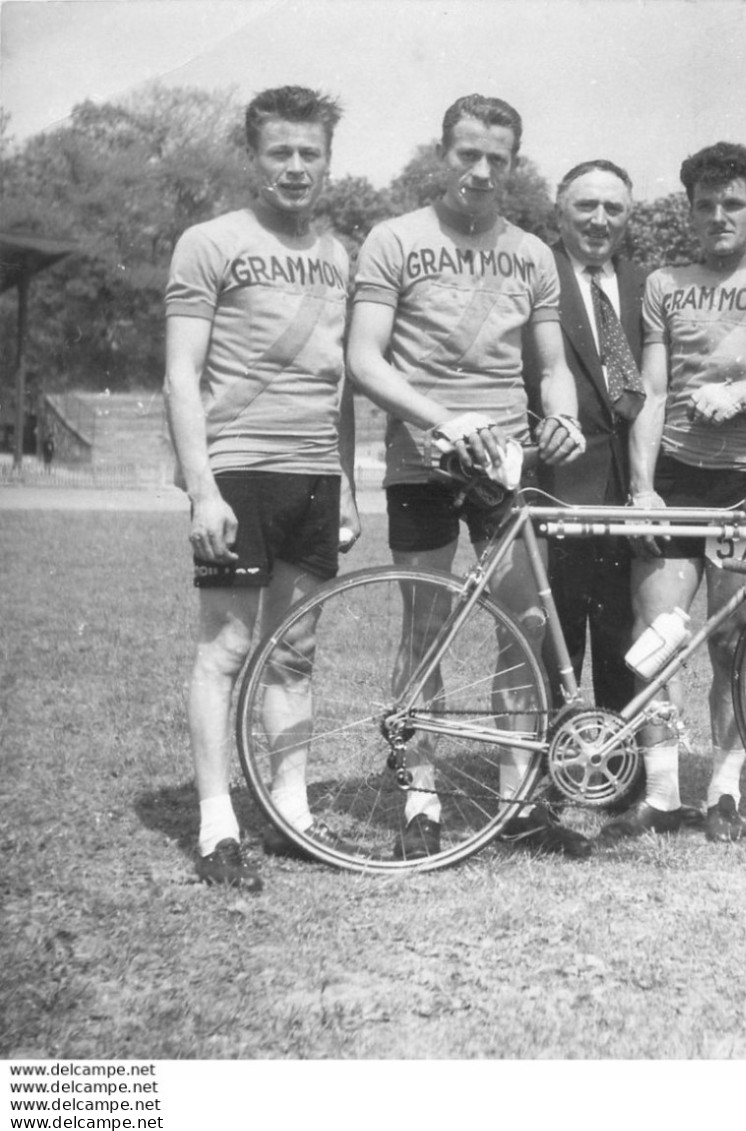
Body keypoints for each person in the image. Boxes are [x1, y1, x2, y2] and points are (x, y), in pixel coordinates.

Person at [346, 94, 589, 860]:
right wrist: (441, 417)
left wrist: (565, 417)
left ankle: (519, 801)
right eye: (468, 155)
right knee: (425, 625)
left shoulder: (532, 251)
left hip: (505, 465)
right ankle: (421, 796)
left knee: (525, 626)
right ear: (441, 153)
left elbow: (550, 367)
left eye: (498, 158)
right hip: (423, 460)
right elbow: (362, 360)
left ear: (515, 164)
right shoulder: (395, 239)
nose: (482, 172)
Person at [598, 142, 746, 846]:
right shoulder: (668, 282)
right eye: (704, 205)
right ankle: (666, 794)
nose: (718, 216)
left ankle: (725, 786)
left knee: (730, 639)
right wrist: (642, 487)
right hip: (675, 473)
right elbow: (653, 390)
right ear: (690, 212)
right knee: (658, 638)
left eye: (732, 204)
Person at [164, 85, 360, 891]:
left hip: (314, 473)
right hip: (238, 470)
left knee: (297, 650)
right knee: (227, 648)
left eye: (309, 152)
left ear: (327, 159)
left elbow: (340, 381)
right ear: (254, 156)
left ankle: (290, 811)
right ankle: (218, 827)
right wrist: (203, 489)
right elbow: (180, 376)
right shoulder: (209, 241)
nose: (295, 167)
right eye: (279, 151)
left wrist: (346, 483)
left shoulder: (340, 253)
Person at [523, 159, 645, 719]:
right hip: (557, 483)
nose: (600, 220)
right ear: (559, 211)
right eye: (586, 206)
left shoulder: (646, 283)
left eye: (613, 208)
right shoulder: (533, 271)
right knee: (555, 637)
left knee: (626, 637)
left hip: (631, 491)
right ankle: (551, 767)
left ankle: (618, 765)